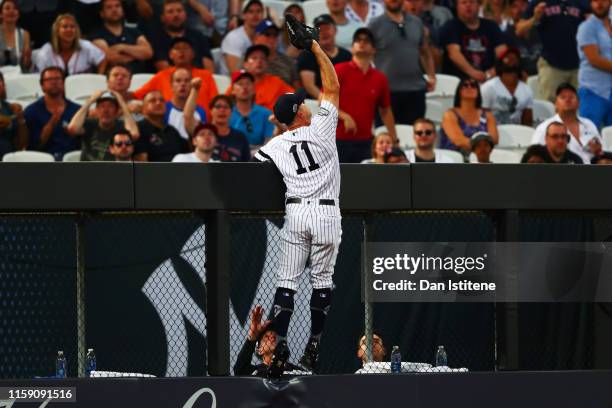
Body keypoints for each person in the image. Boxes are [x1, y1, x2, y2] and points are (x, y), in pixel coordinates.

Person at [252, 31, 342, 379]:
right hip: (326, 212)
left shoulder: (275, 145)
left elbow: (256, 162)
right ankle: (314, 344)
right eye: (302, 104)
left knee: (286, 283)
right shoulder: (321, 128)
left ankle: (281, 345)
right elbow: (332, 87)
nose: (307, 105)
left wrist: (281, 130)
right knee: (321, 282)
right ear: (300, 112)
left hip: (296, 211)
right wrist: (315, 47)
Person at [335, 28, 397, 163]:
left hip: (366, 141)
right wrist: (344, 116)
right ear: (352, 48)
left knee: (364, 182)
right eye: (358, 40)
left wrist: (394, 138)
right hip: (337, 140)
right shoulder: (339, 70)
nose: (361, 43)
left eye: (366, 41)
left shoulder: (380, 78)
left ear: (374, 49)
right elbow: (322, 100)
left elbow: (386, 110)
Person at [369, 0, 435, 125]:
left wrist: (432, 76)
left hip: (415, 91)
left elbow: (425, 52)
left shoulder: (416, 22)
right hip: (386, 92)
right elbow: (365, 54)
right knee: (386, 137)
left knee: (414, 138)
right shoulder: (374, 25)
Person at [515, 0, 588, 102]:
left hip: (579, 66)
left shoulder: (583, 2)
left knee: (580, 110)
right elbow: (519, 30)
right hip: (551, 64)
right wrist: (535, 18)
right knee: (551, 110)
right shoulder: (540, 2)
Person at [134, 37, 218, 115]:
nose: (181, 51)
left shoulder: (206, 76)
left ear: (193, 54)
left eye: (185, 48)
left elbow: (216, 103)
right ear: (170, 54)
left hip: (201, 125)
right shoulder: (161, 75)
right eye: (177, 48)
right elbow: (138, 95)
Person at [531, 82, 602, 163]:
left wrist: (598, 150)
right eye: (563, 97)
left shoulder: (589, 124)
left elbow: (601, 152)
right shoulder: (544, 127)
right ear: (556, 104)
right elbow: (534, 158)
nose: (568, 100)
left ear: (578, 103)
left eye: (571, 97)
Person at [439, 0, 507, 81]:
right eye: (464, 2)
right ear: (457, 6)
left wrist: (490, 73)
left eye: (472, 2)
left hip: (490, 80)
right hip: (459, 81)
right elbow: (454, 54)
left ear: (479, 5)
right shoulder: (451, 26)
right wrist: (473, 73)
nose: (468, 5)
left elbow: (504, 54)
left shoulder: (492, 26)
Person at [24, 67, 81, 160]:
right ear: (42, 86)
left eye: (57, 79)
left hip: (73, 161)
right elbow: (33, 146)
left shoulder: (77, 110)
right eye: (49, 79)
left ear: (63, 83)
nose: (54, 82)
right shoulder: (31, 111)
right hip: (42, 163)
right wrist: (52, 123)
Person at [67, 90, 139, 161]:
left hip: (113, 170)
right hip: (88, 170)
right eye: (102, 106)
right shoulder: (89, 124)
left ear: (117, 111)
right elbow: (72, 129)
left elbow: (134, 135)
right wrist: (90, 101)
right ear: (96, 110)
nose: (106, 110)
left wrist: (122, 103)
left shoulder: (121, 126)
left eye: (111, 106)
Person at [233, 305, 305, 376]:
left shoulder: (294, 370)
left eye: (274, 336)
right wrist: (253, 336)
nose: (272, 338)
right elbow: (239, 370)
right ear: (259, 350)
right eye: (267, 337)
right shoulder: (256, 371)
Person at [146, 0, 214, 72]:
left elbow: (209, 67)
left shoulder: (198, 36)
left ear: (185, 15)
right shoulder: (156, 38)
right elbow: (163, 68)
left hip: (199, 79)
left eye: (179, 11)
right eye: (170, 12)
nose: (176, 15)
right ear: (162, 18)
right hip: (169, 80)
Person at [439, 78, 499, 159]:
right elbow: (458, 140)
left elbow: (494, 139)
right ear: (459, 91)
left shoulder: (488, 115)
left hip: (482, 157)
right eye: (465, 85)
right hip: (454, 158)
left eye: (473, 86)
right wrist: (481, 148)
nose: (469, 87)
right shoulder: (450, 114)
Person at [90, 0, 154, 75]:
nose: (114, 10)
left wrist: (121, 47)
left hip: (139, 77)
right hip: (114, 79)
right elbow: (110, 57)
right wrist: (136, 55)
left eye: (117, 6)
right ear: (102, 14)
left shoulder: (134, 31)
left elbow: (148, 52)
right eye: (109, 7)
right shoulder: (97, 35)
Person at [576, 0, 612, 129]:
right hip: (592, 91)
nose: (599, 4)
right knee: (589, 138)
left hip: (610, 90)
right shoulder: (586, 27)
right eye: (595, 0)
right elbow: (594, 59)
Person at [298, 14, 352, 100]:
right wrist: (328, 101)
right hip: (318, 104)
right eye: (319, 30)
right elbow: (309, 86)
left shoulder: (347, 55)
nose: (323, 32)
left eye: (327, 28)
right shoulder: (308, 55)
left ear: (335, 30)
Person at [34, 14, 106, 75]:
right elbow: (40, 75)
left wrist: (98, 79)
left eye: (72, 27)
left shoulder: (86, 45)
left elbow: (102, 60)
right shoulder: (46, 51)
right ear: (57, 31)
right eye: (65, 27)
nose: (69, 30)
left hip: (83, 88)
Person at [230, 45, 294, 111]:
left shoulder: (276, 82)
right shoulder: (238, 82)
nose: (259, 61)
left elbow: (294, 98)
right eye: (254, 58)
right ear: (245, 64)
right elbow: (225, 101)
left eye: (263, 58)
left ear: (267, 64)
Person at [481, 48, 533, 125]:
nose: (512, 60)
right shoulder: (488, 87)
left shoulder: (527, 89)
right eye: (507, 57)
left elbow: (527, 122)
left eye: (515, 58)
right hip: (495, 131)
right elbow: (482, 118)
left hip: (517, 132)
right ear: (500, 63)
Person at [135, 90, 190, 162]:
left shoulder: (172, 131)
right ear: (143, 109)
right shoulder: (139, 129)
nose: (158, 103)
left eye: (162, 100)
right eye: (152, 100)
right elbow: (141, 164)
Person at [229, 70, 274, 147]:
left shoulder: (266, 114)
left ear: (254, 89)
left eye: (248, 83)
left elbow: (269, 143)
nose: (244, 87)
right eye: (240, 84)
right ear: (232, 90)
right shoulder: (226, 113)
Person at [221, 0, 264, 74]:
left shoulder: (264, 36)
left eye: (258, 11)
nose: (255, 15)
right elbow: (235, 72)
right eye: (251, 12)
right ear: (243, 15)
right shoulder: (233, 38)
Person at [253, 19, 299, 88]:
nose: (272, 38)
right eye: (267, 34)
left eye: (275, 35)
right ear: (256, 38)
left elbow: (298, 88)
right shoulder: (249, 60)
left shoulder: (288, 61)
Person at [165, 68, 207, 140]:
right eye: (178, 81)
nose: (183, 84)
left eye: (187, 81)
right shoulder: (163, 109)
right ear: (171, 86)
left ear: (191, 85)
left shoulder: (200, 111)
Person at [502, 0, 542, 77]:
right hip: (520, 79)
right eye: (514, 6)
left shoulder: (541, 29)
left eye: (523, 5)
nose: (519, 9)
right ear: (509, 10)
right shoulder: (506, 35)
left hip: (543, 74)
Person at [209, 94, 251, 162]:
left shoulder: (240, 137)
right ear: (210, 111)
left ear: (231, 112)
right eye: (218, 106)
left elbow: (247, 165)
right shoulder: (203, 134)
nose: (222, 110)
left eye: (226, 107)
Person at [0, 71, 27, 158]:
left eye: (1, 83)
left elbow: (22, 144)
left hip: (9, 161)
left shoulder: (9, 108)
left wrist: (20, 119)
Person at [0, 0, 31, 70]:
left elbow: (26, 66)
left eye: (15, 8)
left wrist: (27, 59)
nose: (11, 11)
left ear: (18, 14)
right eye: (7, 8)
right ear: (0, 14)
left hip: (17, 77)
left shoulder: (25, 34)